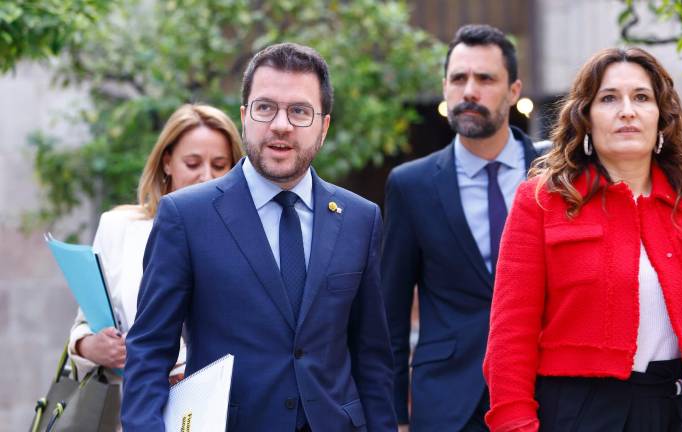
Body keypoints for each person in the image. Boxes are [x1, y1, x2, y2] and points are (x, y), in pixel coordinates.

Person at [483, 47, 682, 432]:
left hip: (674, 412)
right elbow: (509, 340)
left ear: (661, 117)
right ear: (586, 117)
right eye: (609, 98)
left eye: (642, 98)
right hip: (576, 413)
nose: (627, 111)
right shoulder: (541, 202)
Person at [121, 42, 396, 432]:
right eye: (265, 107)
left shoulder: (360, 218)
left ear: (324, 126)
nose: (281, 124)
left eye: (299, 111)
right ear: (244, 116)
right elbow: (149, 351)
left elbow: (372, 359)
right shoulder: (186, 217)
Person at [382, 24, 538, 432]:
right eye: (459, 79)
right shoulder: (410, 185)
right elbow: (391, 316)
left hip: (545, 394)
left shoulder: (553, 176)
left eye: (485, 79)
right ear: (446, 87)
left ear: (514, 90)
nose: (470, 91)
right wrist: (395, 417)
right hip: (447, 404)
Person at [68, 103, 244, 385]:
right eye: (193, 163)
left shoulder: (250, 237)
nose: (206, 176)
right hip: (138, 410)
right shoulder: (119, 227)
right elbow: (83, 323)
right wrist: (90, 347)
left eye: (220, 166)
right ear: (167, 162)